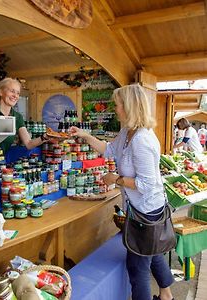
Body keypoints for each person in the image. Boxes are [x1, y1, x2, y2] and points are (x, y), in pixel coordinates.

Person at [69, 83, 174, 300]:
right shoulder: (127, 131)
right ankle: (167, 295)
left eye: (118, 105)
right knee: (151, 252)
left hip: (147, 211)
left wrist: (115, 179)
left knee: (137, 269)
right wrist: (84, 135)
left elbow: (146, 184)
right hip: (139, 209)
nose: (115, 109)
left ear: (129, 107)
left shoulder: (142, 140)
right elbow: (108, 150)